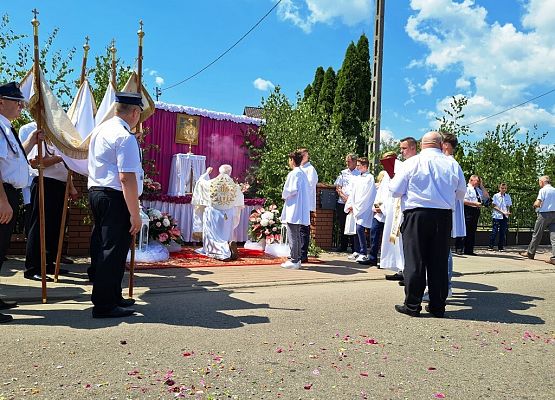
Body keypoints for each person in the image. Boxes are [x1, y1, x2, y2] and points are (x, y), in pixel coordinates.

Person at [390, 131, 466, 318]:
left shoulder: (412, 163)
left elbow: (395, 190)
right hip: (443, 216)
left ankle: (413, 305)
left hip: (416, 214)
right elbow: (461, 192)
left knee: (415, 261)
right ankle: (437, 306)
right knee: (439, 262)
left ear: (422, 144)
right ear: (441, 144)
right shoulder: (452, 164)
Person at [87, 92, 144, 318]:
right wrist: (135, 214)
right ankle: (104, 304)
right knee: (112, 251)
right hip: (115, 197)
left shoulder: (101, 129)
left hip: (98, 192)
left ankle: (113, 295)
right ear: (134, 112)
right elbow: (126, 178)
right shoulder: (124, 136)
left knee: (108, 249)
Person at [0, 82, 39, 323]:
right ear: (1, 101)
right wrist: (2, 201)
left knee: (1, 250)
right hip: (2, 194)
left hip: (9, 193)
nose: (21, 106)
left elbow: (15, 160)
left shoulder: (7, 128)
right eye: (16, 101)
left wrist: (32, 142)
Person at [22, 121, 78, 281]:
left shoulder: (59, 141)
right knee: (40, 226)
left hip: (59, 185)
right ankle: (33, 267)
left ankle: (50, 263)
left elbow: (65, 169)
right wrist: (60, 157)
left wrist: (71, 187)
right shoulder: (40, 139)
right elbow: (35, 163)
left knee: (55, 226)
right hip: (44, 183)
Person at [191, 164, 244, 260]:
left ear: (220, 172)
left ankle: (221, 250)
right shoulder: (235, 186)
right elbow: (239, 203)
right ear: (230, 172)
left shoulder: (211, 183)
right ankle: (227, 245)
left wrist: (207, 173)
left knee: (213, 235)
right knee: (225, 233)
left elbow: (199, 182)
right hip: (228, 214)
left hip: (213, 213)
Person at [383, 137, 418, 283]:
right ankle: (401, 268)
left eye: (404, 148)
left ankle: (409, 272)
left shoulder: (416, 163)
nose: (401, 152)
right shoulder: (403, 165)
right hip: (396, 206)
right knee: (397, 240)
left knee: (407, 242)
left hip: (409, 209)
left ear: (413, 148)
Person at [280, 151, 311, 269]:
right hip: (300, 206)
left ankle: (294, 259)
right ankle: (297, 258)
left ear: (292, 161)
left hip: (294, 207)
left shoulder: (294, 174)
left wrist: (284, 195)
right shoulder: (302, 173)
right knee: (296, 234)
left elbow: (291, 190)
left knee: (292, 233)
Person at [344, 157, 376, 263]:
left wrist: (358, 206)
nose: (357, 167)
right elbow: (353, 192)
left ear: (365, 166)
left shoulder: (370, 178)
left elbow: (367, 195)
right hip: (356, 206)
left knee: (360, 228)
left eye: (359, 165)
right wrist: (350, 204)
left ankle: (363, 252)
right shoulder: (358, 178)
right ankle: (357, 251)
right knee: (355, 228)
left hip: (364, 207)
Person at [520, 176, 555, 264]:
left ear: (542, 182)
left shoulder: (543, 190)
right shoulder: (554, 190)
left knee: (537, 234)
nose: (539, 183)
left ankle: (530, 253)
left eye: (539, 182)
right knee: (554, 237)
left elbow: (538, 202)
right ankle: (554, 258)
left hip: (544, 214)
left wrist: (534, 205)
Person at [456, 175, 489, 255]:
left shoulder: (478, 189)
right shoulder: (466, 188)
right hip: (468, 209)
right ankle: (459, 248)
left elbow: (487, 197)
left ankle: (469, 249)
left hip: (476, 210)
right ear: (471, 180)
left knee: (472, 231)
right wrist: (474, 203)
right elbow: (462, 200)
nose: (478, 182)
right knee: (465, 229)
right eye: (477, 181)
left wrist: (482, 186)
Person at [334, 154, 360, 253]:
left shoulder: (359, 174)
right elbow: (338, 187)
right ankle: (343, 245)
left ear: (354, 162)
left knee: (353, 224)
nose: (347, 163)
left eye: (348, 161)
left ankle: (354, 247)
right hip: (342, 202)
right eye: (346, 161)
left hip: (354, 203)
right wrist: (344, 197)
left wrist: (351, 200)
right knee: (343, 224)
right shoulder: (343, 173)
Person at [363, 170, 387, 266]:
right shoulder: (379, 187)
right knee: (374, 236)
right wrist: (377, 207)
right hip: (378, 215)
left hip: (387, 215)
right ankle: (372, 258)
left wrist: (383, 208)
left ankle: (385, 260)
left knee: (386, 239)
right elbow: (378, 199)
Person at [299, 148, 318, 263]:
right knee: (299, 228)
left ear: (307, 156)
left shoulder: (310, 169)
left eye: (303, 155)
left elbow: (310, 186)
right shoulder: (299, 168)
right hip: (299, 203)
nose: (301, 157)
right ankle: (298, 252)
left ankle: (303, 254)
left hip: (306, 203)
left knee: (304, 229)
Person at [489, 183, 512, 251]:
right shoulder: (496, 196)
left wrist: (507, 212)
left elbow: (508, 205)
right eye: (502, 188)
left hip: (504, 216)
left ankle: (500, 247)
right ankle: (491, 245)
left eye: (505, 188)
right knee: (494, 231)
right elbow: (494, 205)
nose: (504, 189)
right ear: (499, 188)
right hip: (497, 215)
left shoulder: (508, 196)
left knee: (503, 231)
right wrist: (502, 212)